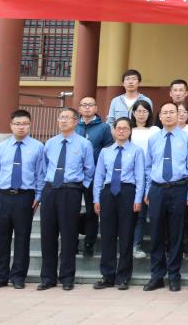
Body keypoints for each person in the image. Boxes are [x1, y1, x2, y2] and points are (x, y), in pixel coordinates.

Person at [0, 109, 44, 290]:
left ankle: (18, 276)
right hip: (3, 196)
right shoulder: (1, 147)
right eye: (17, 124)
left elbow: (40, 174)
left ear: (30, 125)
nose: (21, 127)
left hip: (25, 197)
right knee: (1, 237)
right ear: (11, 126)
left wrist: (38, 196)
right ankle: (1, 275)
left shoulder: (38, 147)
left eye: (25, 124)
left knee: (22, 237)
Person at [38, 107, 94, 291]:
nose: (63, 121)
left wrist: (80, 187)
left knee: (69, 235)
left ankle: (67, 277)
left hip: (71, 191)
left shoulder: (84, 144)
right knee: (48, 234)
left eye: (67, 118)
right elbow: (44, 167)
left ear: (75, 122)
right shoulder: (50, 143)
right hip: (50, 189)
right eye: (61, 117)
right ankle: (48, 277)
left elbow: (89, 169)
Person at [143, 101, 188, 292]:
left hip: (179, 188)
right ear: (159, 116)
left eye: (171, 112)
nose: (168, 115)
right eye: (164, 112)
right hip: (157, 189)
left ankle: (174, 275)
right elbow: (148, 167)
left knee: (176, 234)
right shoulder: (153, 139)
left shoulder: (187, 139)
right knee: (156, 233)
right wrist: (147, 190)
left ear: (178, 114)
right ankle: (157, 276)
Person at [92, 117, 145, 291]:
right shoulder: (105, 152)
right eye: (118, 128)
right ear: (114, 131)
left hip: (128, 192)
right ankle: (107, 275)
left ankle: (123, 276)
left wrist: (138, 199)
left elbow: (140, 177)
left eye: (125, 128)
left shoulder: (137, 151)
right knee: (107, 235)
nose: (121, 131)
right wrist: (96, 198)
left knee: (126, 235)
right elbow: (99, 176)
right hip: (108, 193)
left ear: (130, 131)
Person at [75, 96, 113, 259]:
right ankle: (72, 242)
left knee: (92, 211)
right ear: (79, 108)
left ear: (96, 108)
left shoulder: (104, 128)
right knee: (72, 211)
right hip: (75, 176)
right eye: (84, 105)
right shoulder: (74, 126)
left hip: (94, 175)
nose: (87, 108)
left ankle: (89, 244)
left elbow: (108, 150)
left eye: (90, 105)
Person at [128, 99, 157, 259]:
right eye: (138, 111)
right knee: (134, 212)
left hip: (150, 174)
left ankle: (147, 246)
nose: (141, 114)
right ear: (133, 113)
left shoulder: (154, 130)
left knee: (148, 213)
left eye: (145, 111)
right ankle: (132, 245)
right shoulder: (128, 129)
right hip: (131, 174)